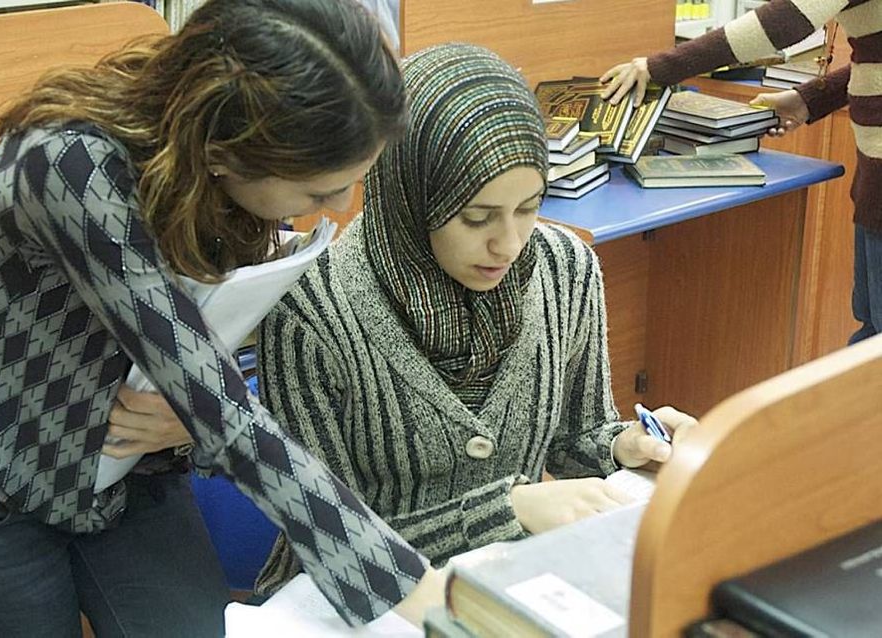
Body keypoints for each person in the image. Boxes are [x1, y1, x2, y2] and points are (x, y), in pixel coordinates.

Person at [0, 1, 443, 636]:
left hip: (125, 465)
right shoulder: (70, 165)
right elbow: (220, 406)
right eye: (318, 192)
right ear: (225, 152)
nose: (341, 206)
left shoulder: (212, 162)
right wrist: (414, 590)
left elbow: (205, 362)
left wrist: (190, 423)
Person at [245, 42, 698, 593]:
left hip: (516, 589)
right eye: (476, 217)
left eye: (529, 208)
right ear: (412, 195)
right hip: (355, 608)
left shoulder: (564, 269)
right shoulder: (311, 310)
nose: (508, 243)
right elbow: (332, 546)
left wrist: (622, 447)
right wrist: (507, 507)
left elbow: (578, 435)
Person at [600, 0, 882, 345]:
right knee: (870, 333)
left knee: (872, 346)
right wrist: (808, 99)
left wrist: (659, 68)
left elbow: (783, 23)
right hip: (874, 179)